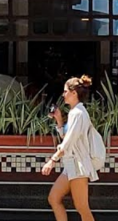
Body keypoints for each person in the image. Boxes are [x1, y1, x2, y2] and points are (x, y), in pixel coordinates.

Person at [42, 75, 97, 221]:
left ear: (74, 93)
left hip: (78, 166)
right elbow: (67, 139)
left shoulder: (78, 113)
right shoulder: (75, 113)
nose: (63, 94)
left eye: (65, 91)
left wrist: (52, 160)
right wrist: (59, 120)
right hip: (71, 166)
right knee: (54, 198)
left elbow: (68, 143)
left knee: (82, 208)